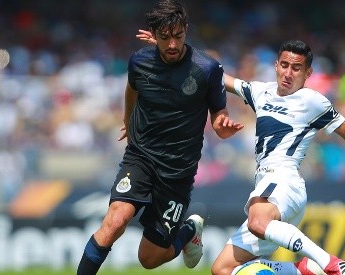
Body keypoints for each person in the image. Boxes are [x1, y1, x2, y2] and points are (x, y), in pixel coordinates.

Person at [210, 40, 345, 275]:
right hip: (269, 186)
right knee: (222, 269)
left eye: (296, 68)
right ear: (275, 65)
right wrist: (185, 57)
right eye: (284, 65)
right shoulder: (259, 91)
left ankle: (329, 262)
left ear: (308, 73)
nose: (288, 73)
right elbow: (220, 77)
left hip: (283, 181)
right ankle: (302, 269)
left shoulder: (312, 101)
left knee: (257, 222)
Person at [76, 1, 243, 274]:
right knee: (115, 221)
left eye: (178, 36)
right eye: (165, 38)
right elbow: (132, 89)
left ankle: (188, 230)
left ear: (186, 31)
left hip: (177, 172)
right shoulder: (139, 61)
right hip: (140, 157)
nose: (173, 45)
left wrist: (222, 126)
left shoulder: (207, 69)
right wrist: (129, 121)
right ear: (154, 35)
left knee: (149, 258)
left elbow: (218, 113)